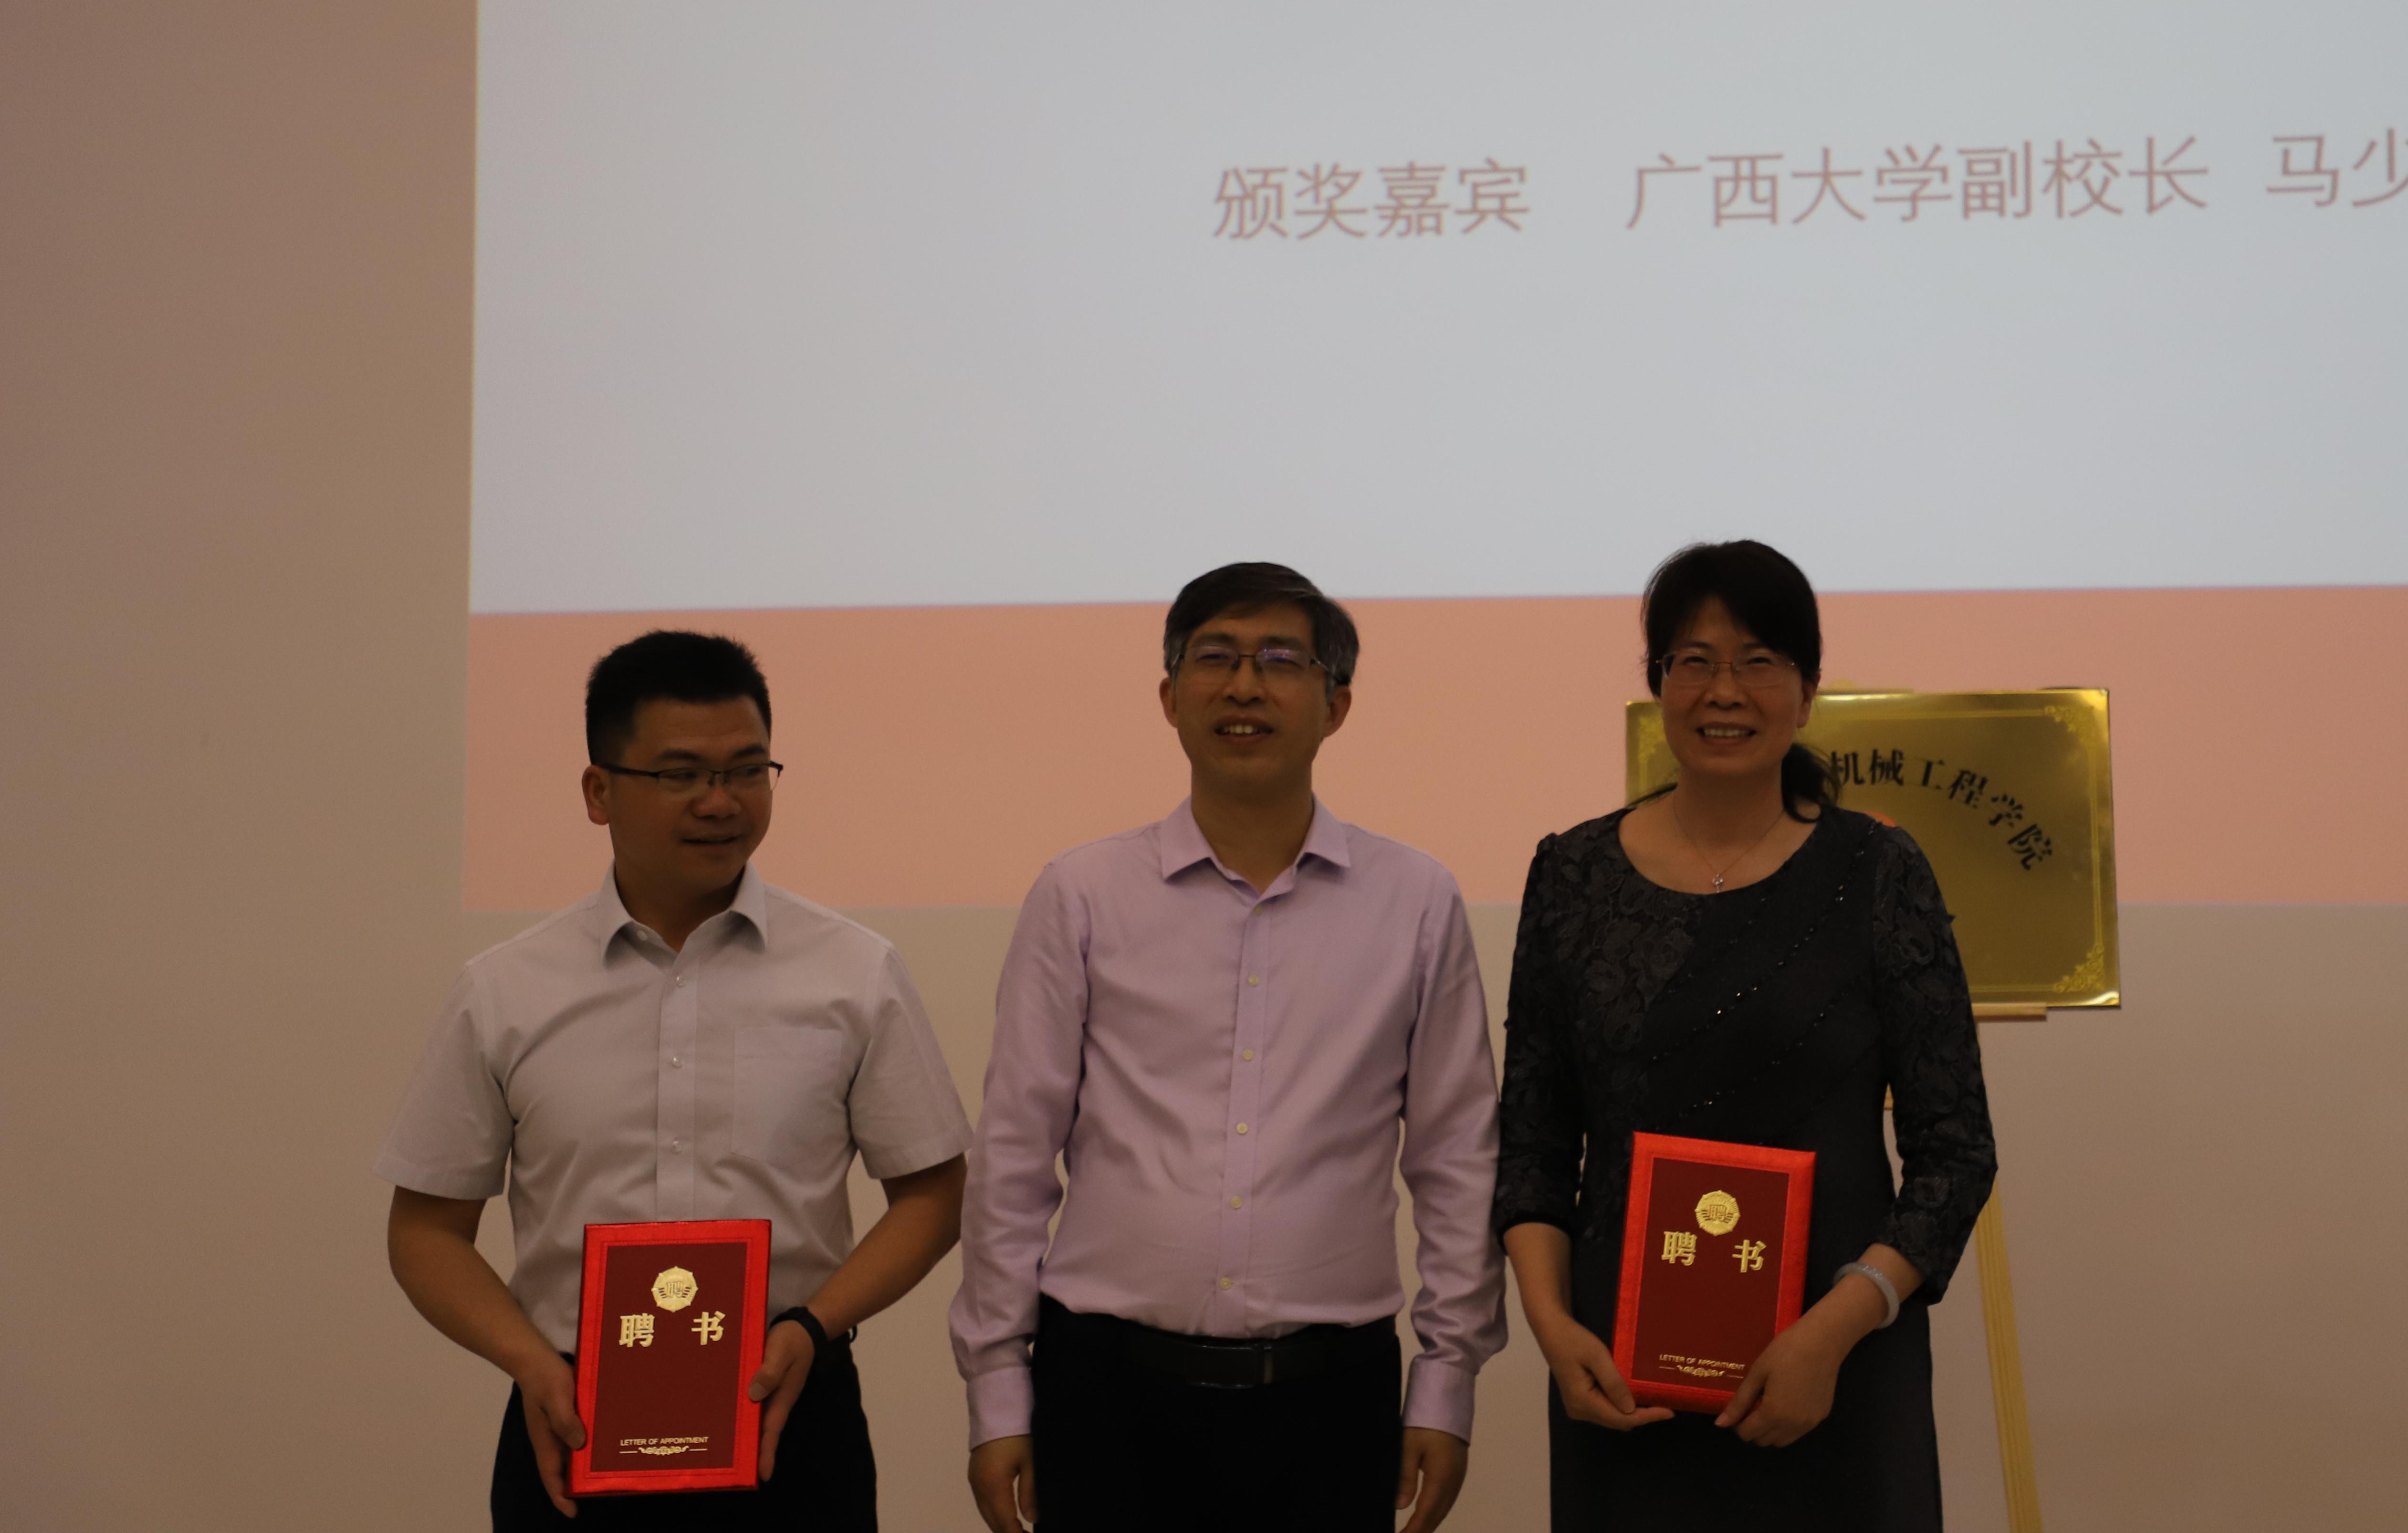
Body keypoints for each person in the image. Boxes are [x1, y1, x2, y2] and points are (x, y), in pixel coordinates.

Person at [953, 562, 1504, 1533]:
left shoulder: (1415, 900)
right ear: (1170, 697)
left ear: (1337, 705)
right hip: (1105, 1392)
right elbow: (1014, 1155)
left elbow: (1457, 1157)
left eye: (1281, 660)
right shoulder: (1083, 894)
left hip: (1331, 1399)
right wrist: (998, 1389)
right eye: (1216, 658)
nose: (1244, 686)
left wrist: (1446, 1381)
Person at [378, 630, 973, 1529]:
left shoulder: (854, 972)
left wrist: (813, 1326)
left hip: (788, 1406)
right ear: (599, 791)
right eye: (681, 774)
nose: (720, 802)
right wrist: (530, 1361)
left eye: (747, 770)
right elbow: (427, 1229)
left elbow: (932, 1193)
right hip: (572, 1415)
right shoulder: (506, 989)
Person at [1493, 540, 1999, 1532]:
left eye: (1759, 661)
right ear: (1658, 684)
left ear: (1807, 693)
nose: (1724, 690)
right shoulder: (1572, 874)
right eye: (1694, 660)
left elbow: (1954, 1155)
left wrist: (1833, 1332)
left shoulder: (1879, 871)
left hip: (1834, 1368)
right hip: (1621, 1377)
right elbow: (1533, 1145)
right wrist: (1553, 1331)